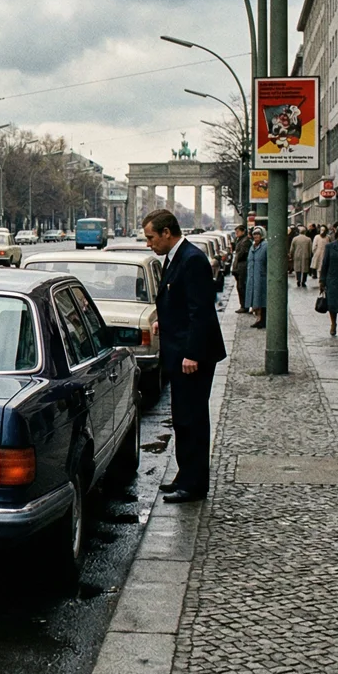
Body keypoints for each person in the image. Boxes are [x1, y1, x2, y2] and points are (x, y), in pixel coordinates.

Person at [143, 209, 226, 504]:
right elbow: (178, 302)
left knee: (192, 419)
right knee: (181, 418)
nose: (148, 244)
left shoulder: (191, 260)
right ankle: (184, 474)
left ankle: (194, 484)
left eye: (151, 237)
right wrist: (162, 322)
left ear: (167, 233)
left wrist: (192, 353)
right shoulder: (177, 257)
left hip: (192, 357)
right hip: (180, 351)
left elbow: (200, 311)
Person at [320, 226, 338, 337]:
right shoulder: (330, 247)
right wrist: (322, 281)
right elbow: (325, 264)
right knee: (332, 304)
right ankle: (333, 323)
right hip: (332, 280)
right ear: (337, 234)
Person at [245, 227, 268, 328]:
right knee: (255, 299)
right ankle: (258, 318)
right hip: (252, 276)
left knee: (261, 298)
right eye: (254, 234)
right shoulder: (252, 246)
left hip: (261, 277)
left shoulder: (266, 246)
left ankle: (262, 319)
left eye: (258, 234)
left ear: (262, 235)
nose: (256, 236)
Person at [230, 225, 250, 313]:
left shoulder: (245, 241)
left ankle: (244, 305)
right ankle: (243, 304)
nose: (236, 234)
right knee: (240, 286)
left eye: (238, 232)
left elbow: (241, 254)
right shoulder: (239, 240)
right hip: (239, 266)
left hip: (242, 266)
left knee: (242, 286)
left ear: (243, 231)